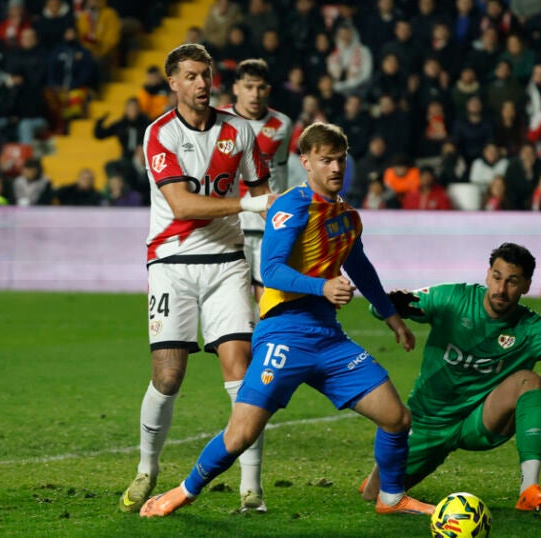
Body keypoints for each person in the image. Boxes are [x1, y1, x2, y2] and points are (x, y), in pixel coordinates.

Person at [140, 122, 433, 518]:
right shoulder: (292, 207)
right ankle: (183, 492)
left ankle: (391, 498)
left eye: (340, 159)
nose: (335, 168)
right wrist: (322, 287)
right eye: (325, 160)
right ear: (306, 162)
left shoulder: (347, 216)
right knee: (241, 434)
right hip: (284, 332)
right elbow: (272, 270)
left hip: (329, 338)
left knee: (396, 418)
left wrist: (391, 316)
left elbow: (360, 266)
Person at [358, 243, 541, 513]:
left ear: (526, 285)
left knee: (528, 381)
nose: (501, 288)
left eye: (512, 281)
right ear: (487, 275)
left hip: (479, 421)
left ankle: (529, 490)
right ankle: (390, 471)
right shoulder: (452, 299)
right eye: (497, 277)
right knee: (374, 494)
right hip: (428, 423)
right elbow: (379, 307)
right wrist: (389, 305)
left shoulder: (531, 328)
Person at [119, 43, 273, 514]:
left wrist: (278, 247)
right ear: (173, 82)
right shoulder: (159, 134)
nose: (201, 84)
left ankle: (251, 488)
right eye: (190, 76)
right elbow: (183, 205)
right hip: (171, 263)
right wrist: (248, 204)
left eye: (205, 75)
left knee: (241, 370)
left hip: (227, 262)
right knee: (168, 376)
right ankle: (147, 468)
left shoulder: (239, 131)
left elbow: (264, 193)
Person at [219, 59, 293, 299]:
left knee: (270, 296)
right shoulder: (219, 120)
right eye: (249, 87)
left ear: (268, 90)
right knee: (234, 298)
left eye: (260, 88)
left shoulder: (282, 124)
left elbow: (279, 170)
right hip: (231, 223)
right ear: (236, 88)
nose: (255, 94)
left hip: (267, 223)